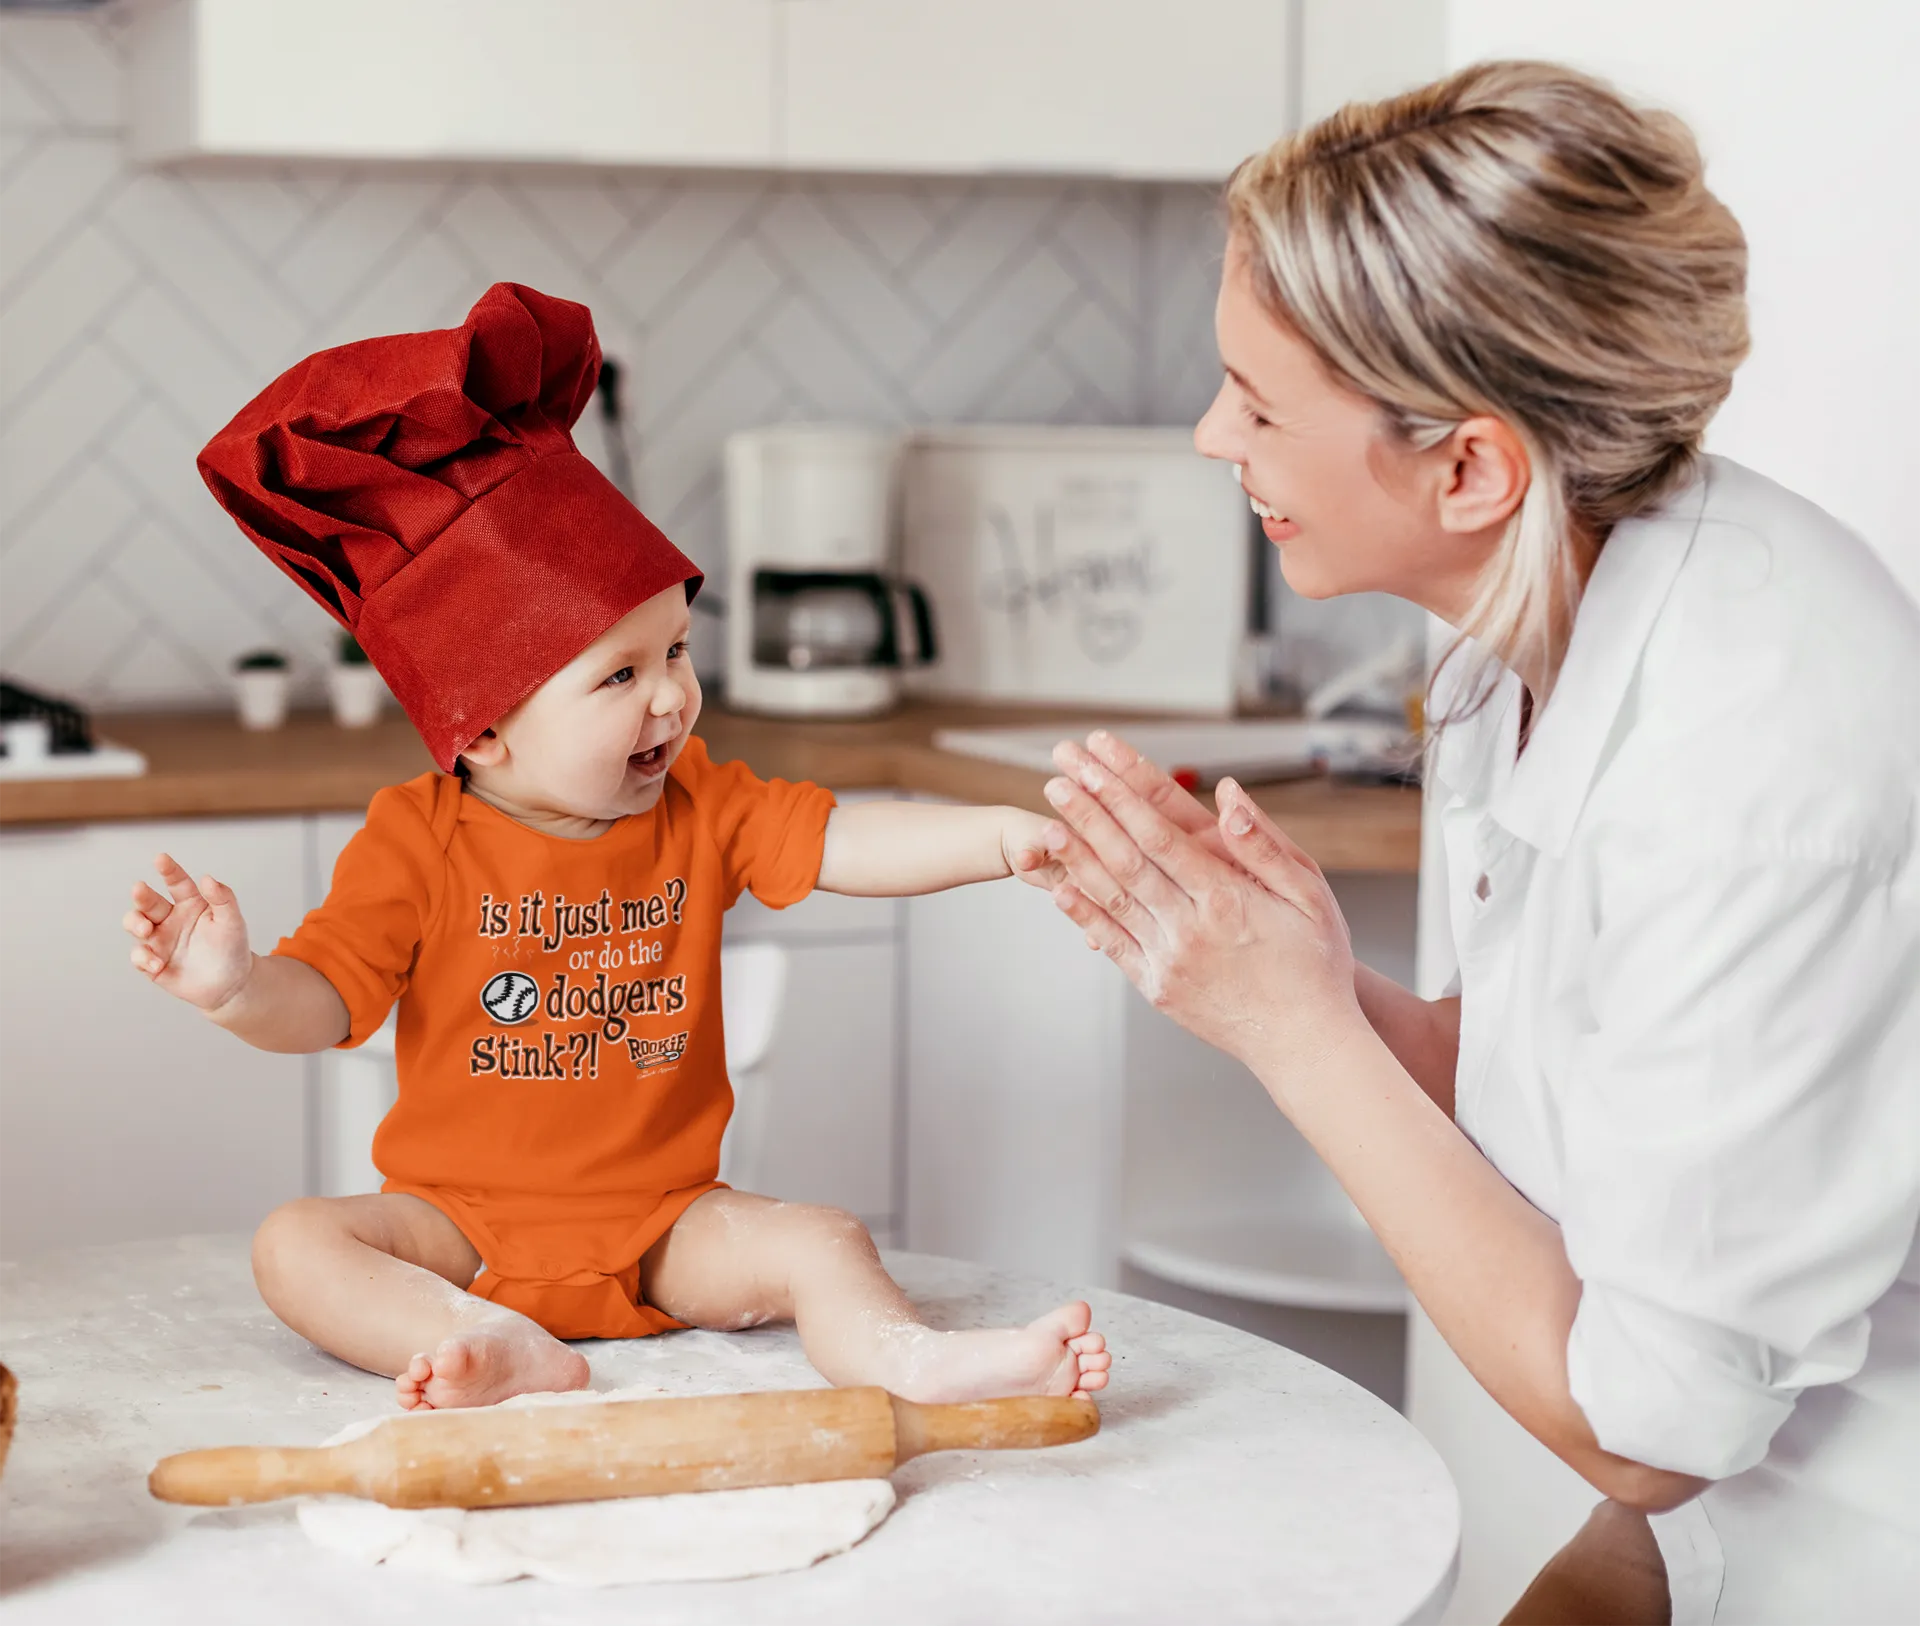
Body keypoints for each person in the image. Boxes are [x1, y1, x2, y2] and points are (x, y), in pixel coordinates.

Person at [1031, 61, 1920, 1626]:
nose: (1207, 434)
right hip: (1700, 1525)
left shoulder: (1750, 768)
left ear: (1468, 467)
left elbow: (1658, 1427)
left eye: (1258, 399)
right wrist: (1305, 979)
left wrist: (1290, 1031)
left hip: (1844, 1535)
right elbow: (1555, 1090)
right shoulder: (1549, 615)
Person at [123, 283, 1108, 1414]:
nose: (674, 699)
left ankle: (911, 1359)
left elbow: (845, 836)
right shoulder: (418, 840)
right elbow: (324, 1005)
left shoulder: (701, 804)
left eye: (678, 649)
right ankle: (484, 1339)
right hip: (458, 1227)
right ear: (481, 731)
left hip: (665, 1226)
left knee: (823, 1237)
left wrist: (1003, 835)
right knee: (295, 1243)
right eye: (621, 676)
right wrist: (234, 985)